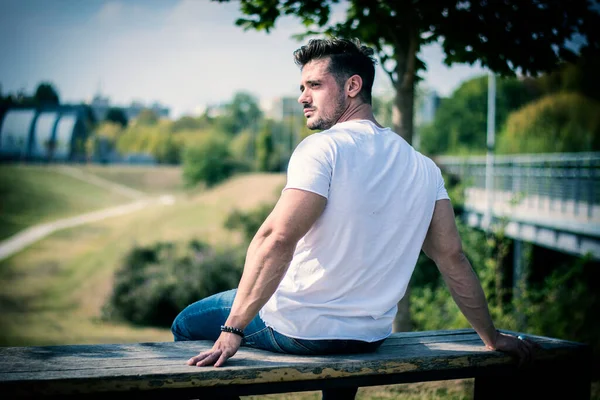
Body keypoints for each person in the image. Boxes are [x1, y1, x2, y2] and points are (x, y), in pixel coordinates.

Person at [171, 37, 537, 399]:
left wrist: (233, 327)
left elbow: (276, 239)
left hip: (298, 327)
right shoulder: (425, 169)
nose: (302, 97)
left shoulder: (323, 148)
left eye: (314, 85)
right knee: (329, 339)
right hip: (369, 336)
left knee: (185, 324)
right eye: (301, 87)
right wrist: (492, 337)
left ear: (352, 86)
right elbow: (452, 257)